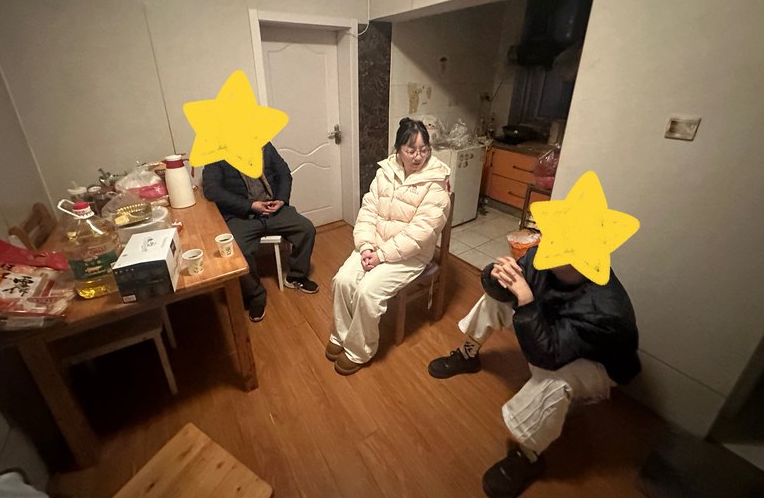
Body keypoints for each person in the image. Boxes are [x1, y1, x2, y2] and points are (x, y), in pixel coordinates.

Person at [428, 246, 640, 497]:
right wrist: (495, 276)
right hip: (553, 332)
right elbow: (505, 292)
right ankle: (467, 355)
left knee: (555, 379)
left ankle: (528, 456)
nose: (547, 245)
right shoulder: (545, 254)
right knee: (496, 300)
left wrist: (527, 301)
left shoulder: (605, 310)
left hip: (597, 365)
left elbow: (547, 357)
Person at [326, 118, 451, 375]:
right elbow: (368, 210)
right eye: (411, 150)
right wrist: (366, 246)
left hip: (411, 254)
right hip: (375, 245)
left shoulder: (437, 182)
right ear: (398, 149)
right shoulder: (386, 171)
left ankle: (359, 350)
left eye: (424, 150)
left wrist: (382, 255)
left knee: (367, 291)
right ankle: (341, 335)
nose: (418, 156)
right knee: (343, 280)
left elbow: (421, 233)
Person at [203, 142, 318, 322]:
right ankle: (255, 296)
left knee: (306, 229)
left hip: (274, 208)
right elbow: (212, 190)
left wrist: (281, 200)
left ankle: (296, 276)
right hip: (241, 215)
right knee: (238, 250)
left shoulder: (264, 144)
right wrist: (250, 206)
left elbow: (284, 173)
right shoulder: (215, 152)